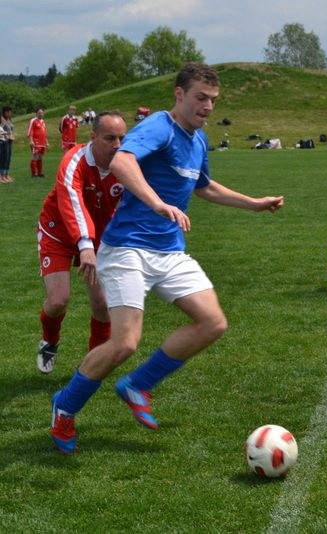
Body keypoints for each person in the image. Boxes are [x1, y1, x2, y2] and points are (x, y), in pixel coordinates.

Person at [48, 62, 285, 454]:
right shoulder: (160, 125)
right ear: (179, 94)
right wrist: (158, 203)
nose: (208, 106)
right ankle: (65, 407)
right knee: (124, 343)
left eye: (213, 100)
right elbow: (122, 162)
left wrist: (253, 203)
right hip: (127, 248)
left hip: (169, 251)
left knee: (212, 322)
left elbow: (204, 187)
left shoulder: (198, 140)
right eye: (200, 98)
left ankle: (137, 385)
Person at [36, 111, 128, 374]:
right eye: (110, 138)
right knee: (58, 300)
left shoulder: (126, 165)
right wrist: (85, 245)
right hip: (58, 232)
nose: (117, 145)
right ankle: (49, 341)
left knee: (102, 305)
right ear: (93, 136)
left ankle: (91, 367)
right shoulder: (74, 160)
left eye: (121, 138)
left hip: (99, 238)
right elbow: (72, 202)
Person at [28, 107, 49, 178]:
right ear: (36, 113)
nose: (41, 114)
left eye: (42, 112)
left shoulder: (43, 121)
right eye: (39, 113)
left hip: (42, 142)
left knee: (40, 157)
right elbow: (30, 131)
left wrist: (47, 142)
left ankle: (40, 173)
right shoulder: (33, 120)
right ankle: (34, 174)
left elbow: (44, 132)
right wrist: (31, 140)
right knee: (35, 157)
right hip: (36, 142)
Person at [0, 105, 15, 183]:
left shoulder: (9, 120)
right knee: (3, 159)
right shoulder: (2, 119)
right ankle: (1, 176)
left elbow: (10, 130)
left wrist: (11, 136)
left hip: (9, 141)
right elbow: (1, 130)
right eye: (9, 112)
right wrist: (8, 136)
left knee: (8, 159)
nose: (10, 114)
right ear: (5, 112)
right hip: (3, 141)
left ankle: (6, 175)